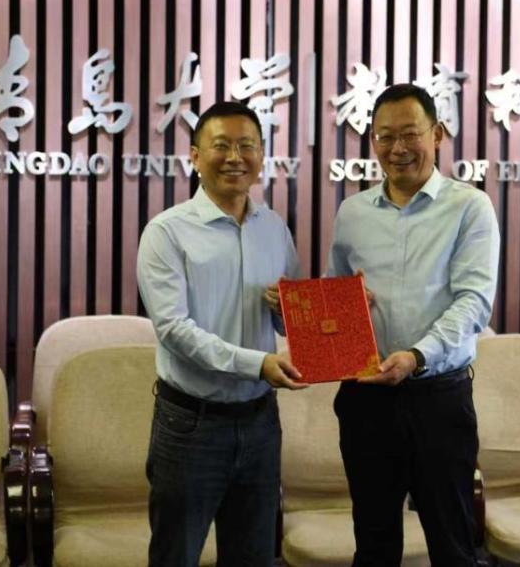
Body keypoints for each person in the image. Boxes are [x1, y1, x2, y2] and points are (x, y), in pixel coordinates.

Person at [326, 83, 501, 566]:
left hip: (437, 399)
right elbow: (335, 297)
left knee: (452, 544)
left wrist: (417, 356)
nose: (397, 148)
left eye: (410, 134)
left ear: (437, 134)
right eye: (385, 137)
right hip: (366, 401)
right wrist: (337, 305)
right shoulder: (352, 213)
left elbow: (473, 302)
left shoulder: (469, 207)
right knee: (374, 544)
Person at [137, 101, 306, 567]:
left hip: (260, 422)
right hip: (191, 425)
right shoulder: (167, 233)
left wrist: (298, 313)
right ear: (195, 156)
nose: (235, 157)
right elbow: (174, 330)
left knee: (254, 555)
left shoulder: (274, 229)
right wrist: (258, 364)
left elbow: (289, 319)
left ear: (261, 155)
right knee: (176, 555)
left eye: (247, 145)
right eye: (222, 145)